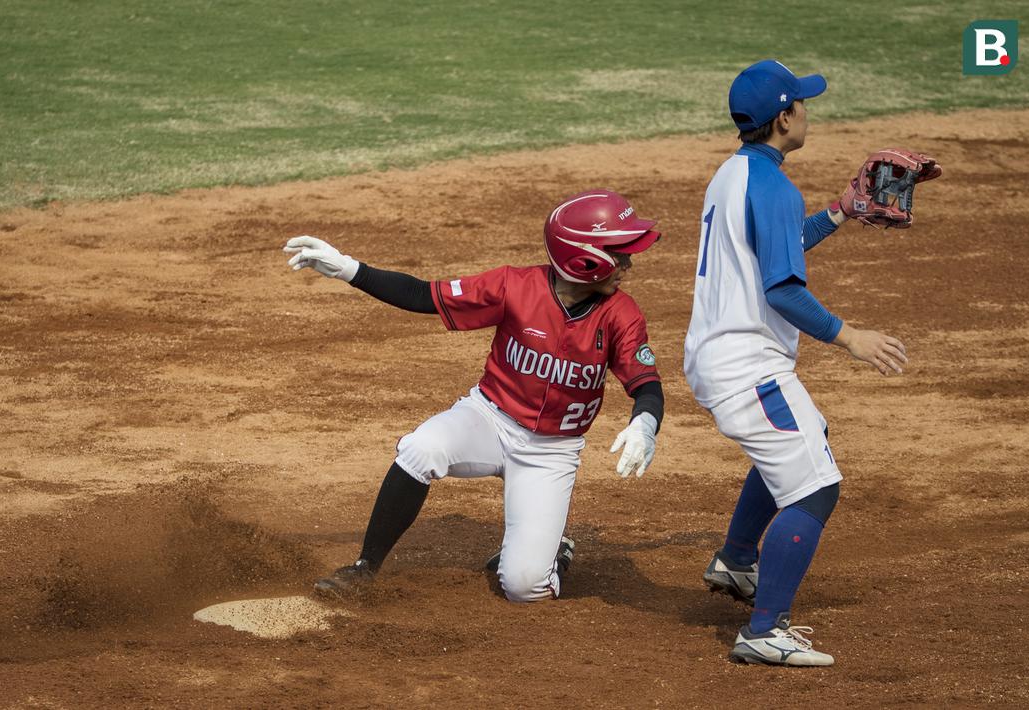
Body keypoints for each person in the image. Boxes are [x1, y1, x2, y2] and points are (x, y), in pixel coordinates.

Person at [284, 189, 666, 602]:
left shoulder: (621, 315)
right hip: (488, 419)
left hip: (551, 451)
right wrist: (348, 269)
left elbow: (645, 383)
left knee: (524, 588)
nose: (627, 263)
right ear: (586, 259)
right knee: (420, 449)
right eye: (619, 253)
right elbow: (423, 295)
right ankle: (364, 567)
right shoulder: (514, 286)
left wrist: (645, 420)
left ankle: (553, 551)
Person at [685, 60, 908, 666]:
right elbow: (781, 288)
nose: (809, 110)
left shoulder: (734, 174)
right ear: (784, 117)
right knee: (816, 487)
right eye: (803, 103)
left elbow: (771, 247)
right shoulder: (775, 186)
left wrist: (839, 211)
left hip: (718, 356)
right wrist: (849, 336)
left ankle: (736, 560)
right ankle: (763, 630)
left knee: (806, 442)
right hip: (747, 368)